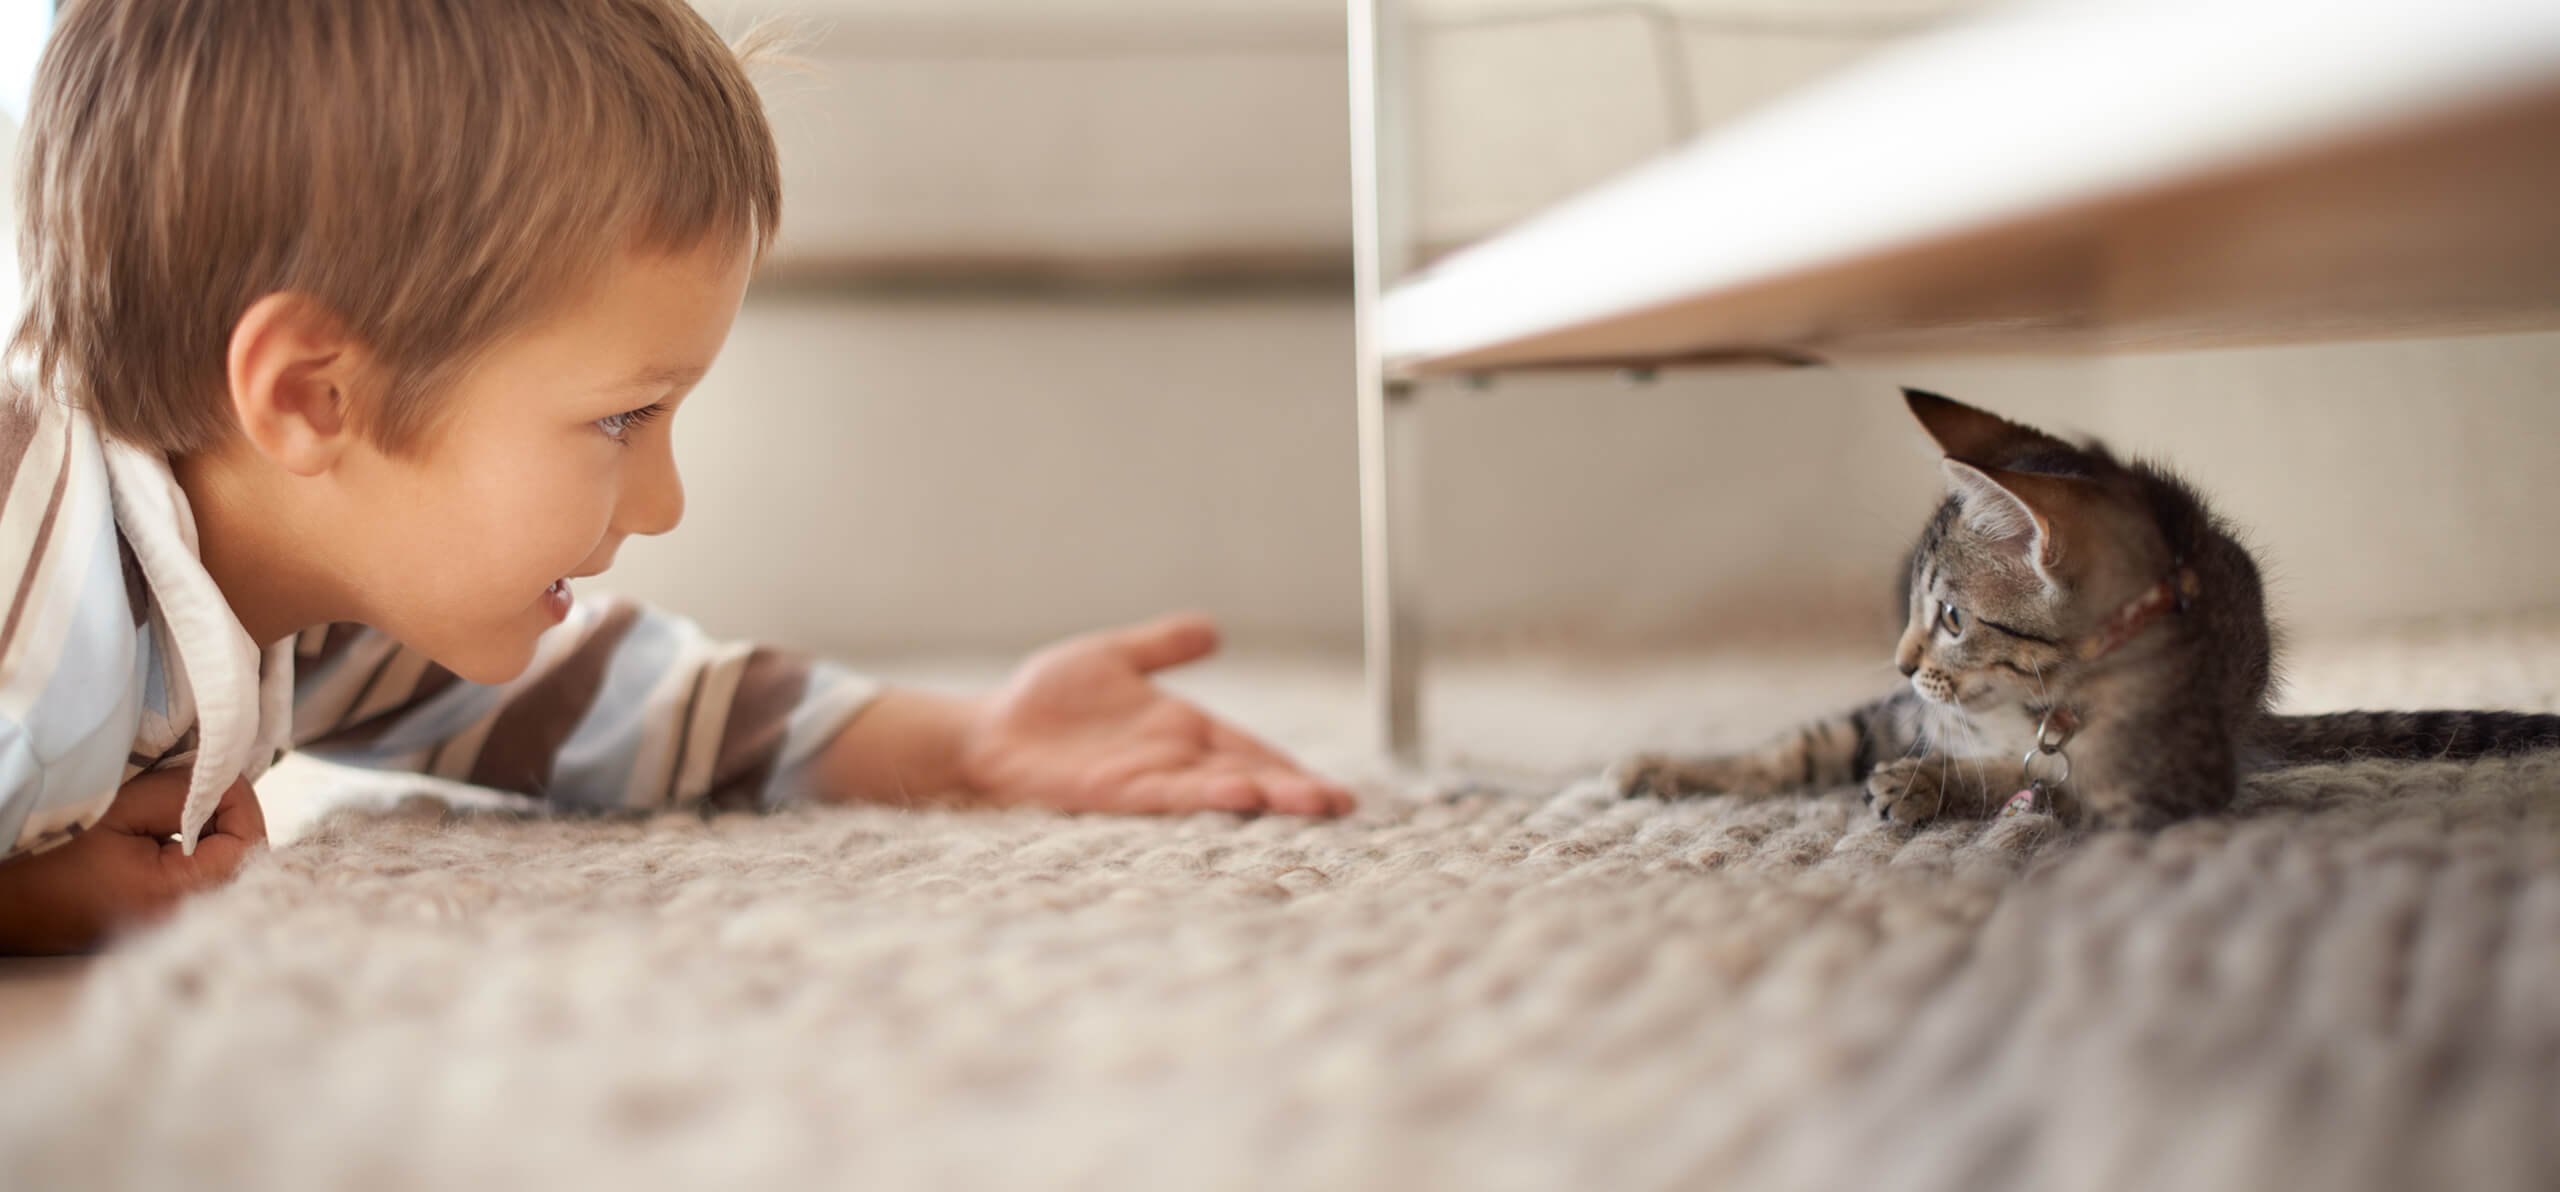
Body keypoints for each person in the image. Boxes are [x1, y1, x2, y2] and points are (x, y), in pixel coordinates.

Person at [0, 0, 1353, 955]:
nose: (663, 504)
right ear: (312, 396)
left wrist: (961, 743)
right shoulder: (26, 553)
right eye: (622, 420)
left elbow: (610, 702)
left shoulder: (319, 590)